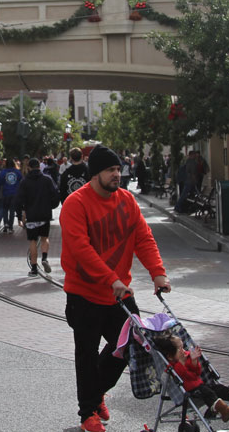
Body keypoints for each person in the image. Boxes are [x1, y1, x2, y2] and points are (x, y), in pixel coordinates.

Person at [60, 145, 170, 432]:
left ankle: (95, 396)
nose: (117, 175)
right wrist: (111, 279)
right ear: (95, 174)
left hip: (118, 294)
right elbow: (81, 249)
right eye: (111, 170)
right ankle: (88, 415)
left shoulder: (127, 201)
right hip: (84, 293)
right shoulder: (76, 204)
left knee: (132, 345)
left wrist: (157, 273)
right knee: (86, 353)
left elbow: (144, 238)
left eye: (119, 169)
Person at [153, 335, 229, 422]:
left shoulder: (186, 357)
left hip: (200, 384)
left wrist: (194, 361)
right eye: (180, 349)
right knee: (208, 392)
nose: (184, 351)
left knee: (218, 388)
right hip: (192, 391)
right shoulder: (173, 366)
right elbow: (186, 376)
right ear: (170, 356)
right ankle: (223, 410)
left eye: (183, 347)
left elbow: (197, 373)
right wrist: (183, 362)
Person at [16, 157, 59, 276]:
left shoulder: (24, 181)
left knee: (33, 241)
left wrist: (19, 216)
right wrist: (51, 206)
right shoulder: (47, 179)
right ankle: (44, 258)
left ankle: (34, 268)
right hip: (44, 214)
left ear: (29, 167)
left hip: (31, 215)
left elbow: (18, 200)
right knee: (45, 238)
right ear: (39, 166)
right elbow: (55, 195)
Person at [0, 158, 23, 233]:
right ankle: (11, 227)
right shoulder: (17, 172)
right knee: (12, 210)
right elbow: (21, 180)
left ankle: (5, 224)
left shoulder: (3, 172)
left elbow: (0, 182)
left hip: (5, 193)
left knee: (5, 209)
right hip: (15, 193)